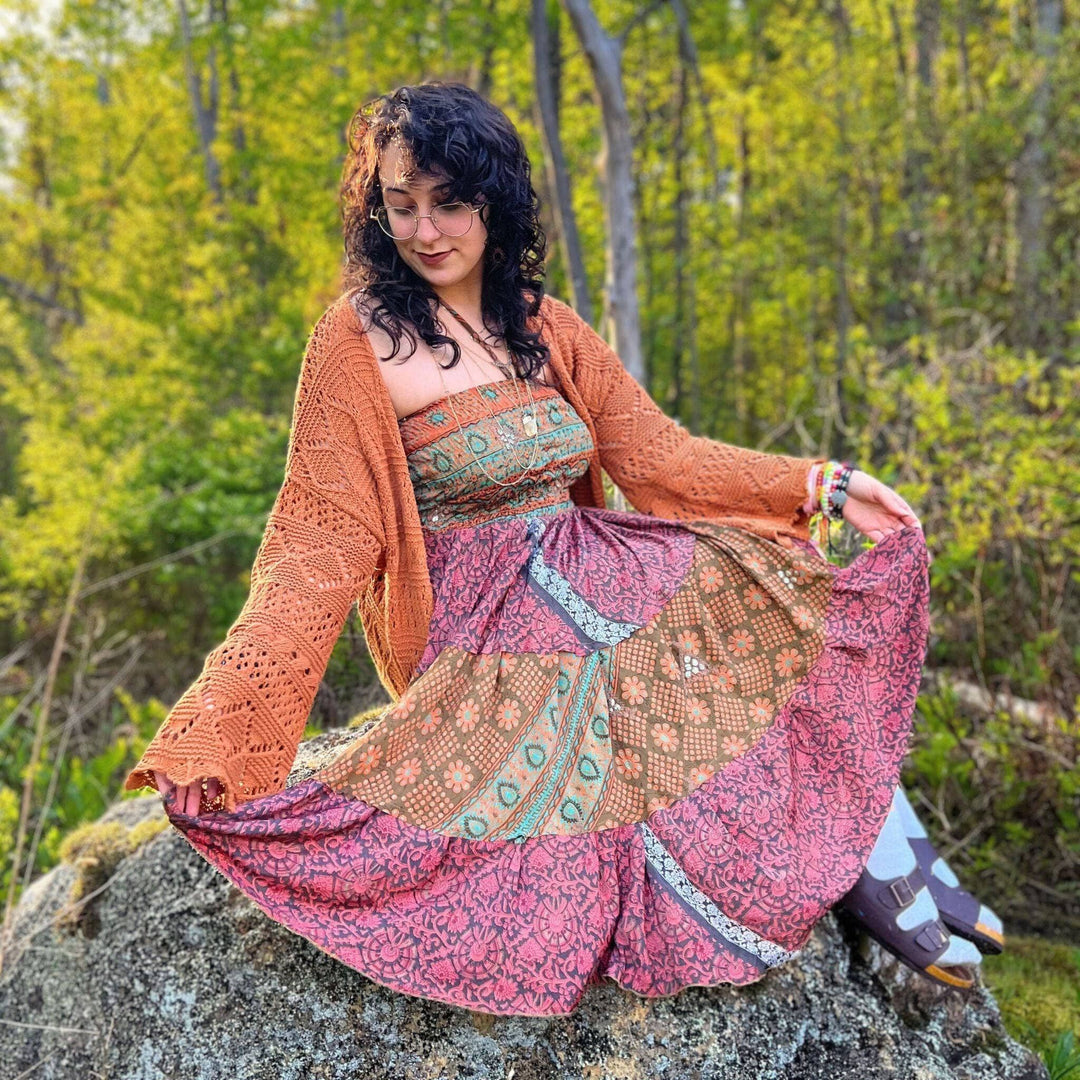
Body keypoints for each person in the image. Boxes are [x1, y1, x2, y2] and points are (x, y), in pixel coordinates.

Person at [123, 81, 1004, 1016]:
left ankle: (885, 842)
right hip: (487, 628)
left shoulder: (540, 320)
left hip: (592, 560)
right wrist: (222, 723)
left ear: (494, 200)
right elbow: (318, 545)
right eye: (400, 203)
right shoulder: (356, 342)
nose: (425, 230)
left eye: (449, 202)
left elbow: (660, 458)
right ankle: (874, 867)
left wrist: (823, 484)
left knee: (765, 586)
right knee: (665, 655)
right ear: (376, 209)